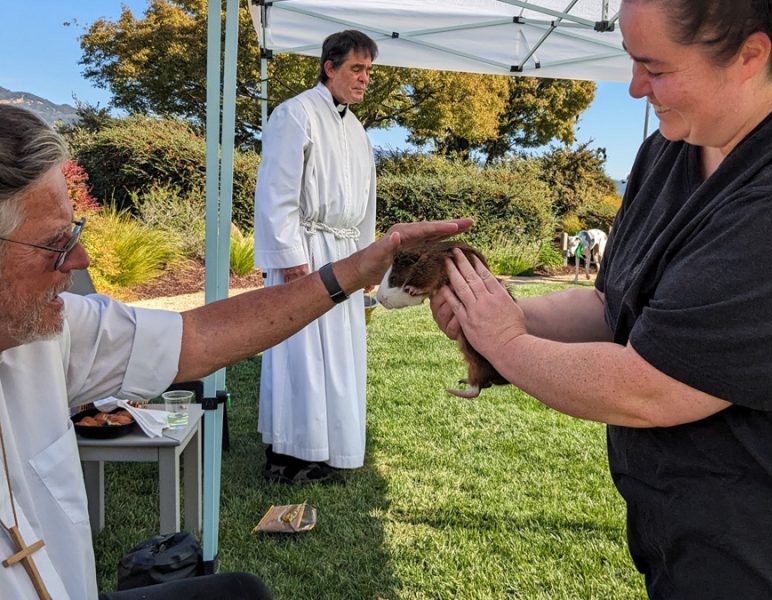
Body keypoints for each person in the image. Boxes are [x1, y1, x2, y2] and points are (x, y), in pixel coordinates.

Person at [0, 104, 472, 599]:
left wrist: (357, 270)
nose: (81, 260)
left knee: (241, 592)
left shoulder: (53, 331)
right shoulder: (297, 115)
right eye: (55, 244)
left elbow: (199, 337)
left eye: (77, 234)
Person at [431, 1, 772, 598]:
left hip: (767, 548)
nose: (633, 89)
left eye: (654, 68)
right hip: (680, 528)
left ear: (749, 56)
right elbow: (612, 307)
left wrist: (505, 342)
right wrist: (501, 313)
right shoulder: (672, 146)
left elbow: (652, 386)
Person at [253, 30, 379, 484]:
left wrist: (367, 262)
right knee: (300, 353)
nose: (364, 79)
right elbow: (276, 190)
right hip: (305, 251)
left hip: (344, 252)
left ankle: (328, 450)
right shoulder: (295, 114)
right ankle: (289, 454)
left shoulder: (358, 131)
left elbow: (367, 205)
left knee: (339, 356)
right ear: (330, 66)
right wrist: (290, 257)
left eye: (368, 71)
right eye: (356, 69)